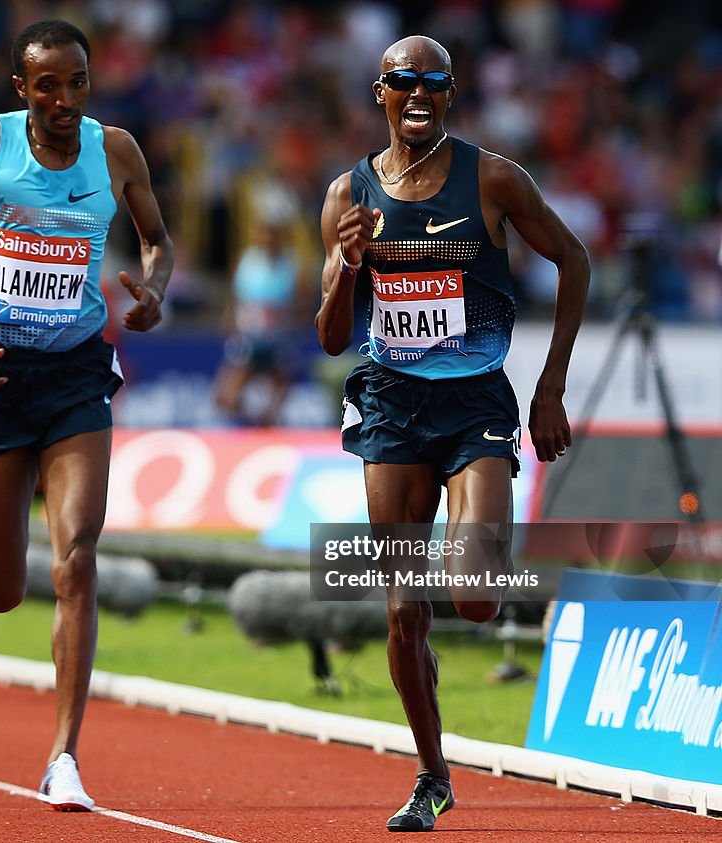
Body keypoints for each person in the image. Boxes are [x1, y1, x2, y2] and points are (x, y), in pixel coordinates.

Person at [0, 19, 173, 812]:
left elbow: (157, 239)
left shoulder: (115, 150)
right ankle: (58, 739)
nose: (63, 99)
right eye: (47, 84)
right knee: (2, 589)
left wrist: (153, 290)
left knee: (76, 556)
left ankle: (65, 756)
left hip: (78, 373)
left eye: (76, 82)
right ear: (21, 87)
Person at [316, 36, 589, 832]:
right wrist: (346, 266)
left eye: (434, 82)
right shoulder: (348, 194)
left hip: (475, 403)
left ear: (451, 91)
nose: (420, 94)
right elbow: (332, 335)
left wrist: (550, 385)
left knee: (472, 596)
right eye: (405, 82)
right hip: (391, 406)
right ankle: (431, 773)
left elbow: (573, 260)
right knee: (405, 611)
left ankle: (479, 551)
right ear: (381, 92)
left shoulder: (494, 178)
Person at [214, 215, 302, 427]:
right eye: (264, 233)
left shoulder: (290, 265)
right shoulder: (246, 261)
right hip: (249, 336)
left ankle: (267, 424)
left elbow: (300, 304)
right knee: (225, 396)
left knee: (281, 386)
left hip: (276, 338)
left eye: (273, 234)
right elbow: (235, 297)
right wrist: (229, 319)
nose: (267, 238)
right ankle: (252, 423)